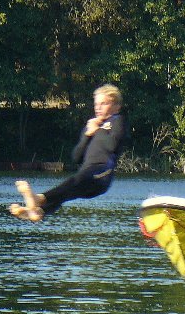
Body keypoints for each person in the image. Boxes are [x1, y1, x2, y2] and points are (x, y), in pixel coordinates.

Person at [9, 84, 128, 222]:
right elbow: (76, 157)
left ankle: (39, 198)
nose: (98, 108)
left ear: (116, 106)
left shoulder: (118, 121)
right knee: (66, 193)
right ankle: (38, 212)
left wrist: (98, 130)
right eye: (96, 104)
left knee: (73, 182)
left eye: (104, 103)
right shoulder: (92, 126)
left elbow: (111, 146)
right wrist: (87, 135)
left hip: (102, 173)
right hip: (87, 174)